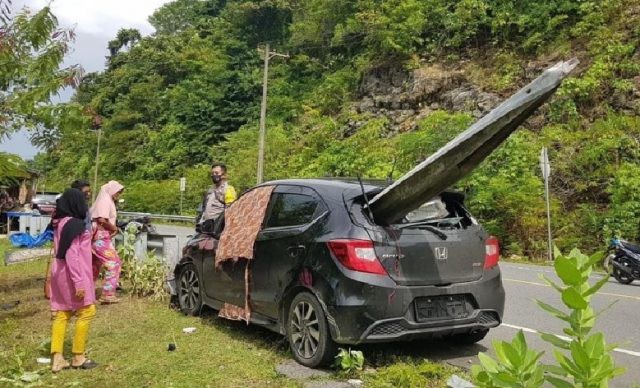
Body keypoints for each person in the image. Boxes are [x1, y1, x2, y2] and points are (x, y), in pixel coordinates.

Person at [49, 188, 98, 372]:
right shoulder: (75, 225)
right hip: (72, 274)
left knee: (62, 313)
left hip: (59, 273)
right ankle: (78, 356)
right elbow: (73, 255)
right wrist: (79, 282)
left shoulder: (60, 222)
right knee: (87, 310)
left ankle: (58, 358)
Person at [90, 181, 124, 304]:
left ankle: (87, 294)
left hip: (95, 237)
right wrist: (114, 228)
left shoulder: (105, 199)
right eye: (117, 192)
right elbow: (101, 219)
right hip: (101, 238)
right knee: (114, 263)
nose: (118, 195)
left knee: (94, 266)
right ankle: (108, 294)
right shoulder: (105, 200)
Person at [197, 162, 237, 228]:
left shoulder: (228, 189)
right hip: (206, 227)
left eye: (216, 173)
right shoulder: (210, 190)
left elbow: (231, 211)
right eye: (212, 173)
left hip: (218, 229)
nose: (213, 175)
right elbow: (204, 208)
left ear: (224, 175)